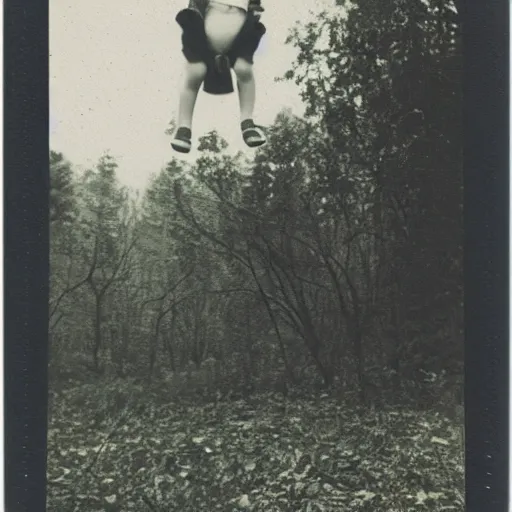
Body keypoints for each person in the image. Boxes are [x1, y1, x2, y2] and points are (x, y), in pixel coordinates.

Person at [171, 0, 267, 153]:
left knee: (243, 68)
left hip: (240, 32)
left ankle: (247, 121)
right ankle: (183, 127)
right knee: (197, 70)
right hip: (205, 27)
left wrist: (254, 11)